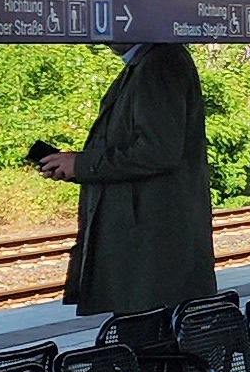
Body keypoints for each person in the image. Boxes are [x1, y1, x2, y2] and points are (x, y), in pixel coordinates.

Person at [41, 40, 215, 322]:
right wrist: (76, 166)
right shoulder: (149, 63)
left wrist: (82, 165)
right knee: (148, 333)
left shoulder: (158, 64)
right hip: (148, 252)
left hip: (149, 255)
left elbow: (158, 151)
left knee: (148, 337)